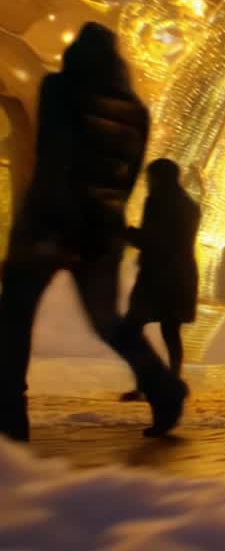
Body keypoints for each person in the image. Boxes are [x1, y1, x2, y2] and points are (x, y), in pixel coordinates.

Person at [0, 23, 187, 441]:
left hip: (48, 224)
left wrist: (46, 227)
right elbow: (130, 177)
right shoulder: (136, 110)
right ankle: (162, 387)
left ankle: (8, 418)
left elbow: (53, 158)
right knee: (107, 322)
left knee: (13, 319)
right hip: (102, 232)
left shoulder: (60, 89)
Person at [119, 159, 201, 403]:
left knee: (131, 329)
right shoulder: (189, 204)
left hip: (158, 276)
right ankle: (172, 381)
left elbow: (154, 239)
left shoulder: (158, 201)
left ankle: (147, 382)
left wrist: (126, 233)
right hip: (181, 275)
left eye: (150, 177)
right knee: (171, 331)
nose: (147, 182)